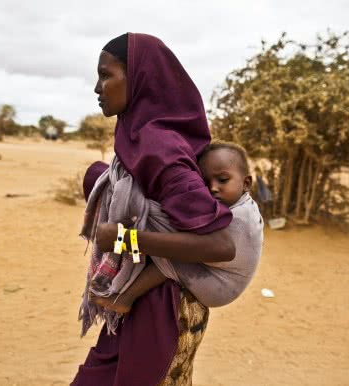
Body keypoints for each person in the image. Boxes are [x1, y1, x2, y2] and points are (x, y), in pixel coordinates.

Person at [71, 33, 238, 386]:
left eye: (106, 75)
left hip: (166, 307)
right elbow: (157, 224)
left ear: (140, 79)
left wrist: (122, 237)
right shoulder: (137, 136)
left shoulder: (160, 148)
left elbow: (219, 245)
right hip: (137, 295)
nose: (98, 88)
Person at [92, 141, 263, 314]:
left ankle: (124, 298)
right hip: (219, 274)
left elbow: (201, 248)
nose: (213, 188)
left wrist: (124, 239)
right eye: (204, 182)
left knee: (173, 250)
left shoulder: (241, 217)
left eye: (223, 180)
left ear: (246, 183)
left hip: (219, 285)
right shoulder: (239, 204)